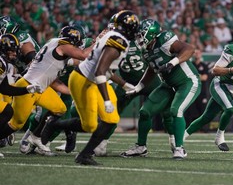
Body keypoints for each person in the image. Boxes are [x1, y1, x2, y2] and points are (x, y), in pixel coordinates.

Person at [40, 10, 140, 166]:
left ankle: (84, 155)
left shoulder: (112, 36)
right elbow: (100, 72)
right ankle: (53, 124)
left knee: (111, 119)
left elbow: (105, 69)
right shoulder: (118, 41)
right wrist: (106, 100)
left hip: (92, 80)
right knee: (90, 125)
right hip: (83, 80)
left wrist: (124, 84)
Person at [2, 26, 93, 155]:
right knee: (16, 124)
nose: (79, 46)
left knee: (59, 108)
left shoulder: (55, 45)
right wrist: (100, 42)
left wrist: (75, 92)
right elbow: (84, 55)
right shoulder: (63, 46)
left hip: (40, 88)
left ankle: (36, 137)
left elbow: (54, 82)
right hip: (28, 86)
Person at [120, 19, 201, 159]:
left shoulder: (164, 40)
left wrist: (172, 62)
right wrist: (138, 88)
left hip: (187, 81)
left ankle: (179, 148)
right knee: (145, 112)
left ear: (151, 34)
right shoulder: (146, 50)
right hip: (168, 85)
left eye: (141, 35)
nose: (139, 38)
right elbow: (151, 69)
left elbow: (190, 49)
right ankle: (141, 147)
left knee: (176, 110)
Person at [184, 29, 233, 151]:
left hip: (231, 87)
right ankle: (219, 137)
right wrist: (231, 70)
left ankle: (181, 137)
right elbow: (215, 70)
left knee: (206, 117)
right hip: (219, 83)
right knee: (230, 109)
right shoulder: (232, 50)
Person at [0, 34, 41, 157]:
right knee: (7, 111)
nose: (14, 54)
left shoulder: (4, 64)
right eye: (11, 51)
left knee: (7, 111)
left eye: (15, 51)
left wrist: (27, 90)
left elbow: (5, 88)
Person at [184, 49, 209, 127]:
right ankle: (188, 128)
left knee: (202, 110)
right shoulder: (190, 65)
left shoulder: (204, 65)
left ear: (201, 54)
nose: (197, 54)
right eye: (195, 53)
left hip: (201, 92)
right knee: (190, 111)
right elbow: (187, 77)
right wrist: (198, 77)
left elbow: (205, 77)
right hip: (192, 91)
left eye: (198, 53)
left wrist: (194, 77)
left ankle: (204, 129)